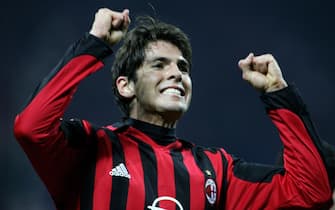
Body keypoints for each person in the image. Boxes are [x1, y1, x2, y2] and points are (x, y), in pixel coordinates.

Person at [13, 7, 333, 210]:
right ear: (126, 85)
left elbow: (311, 191)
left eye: (183, 67)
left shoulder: (217, 170)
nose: (177, 73)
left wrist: (277, 92)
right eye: (159, 64)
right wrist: (95, 43)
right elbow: (31, 127)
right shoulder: (89, 149)